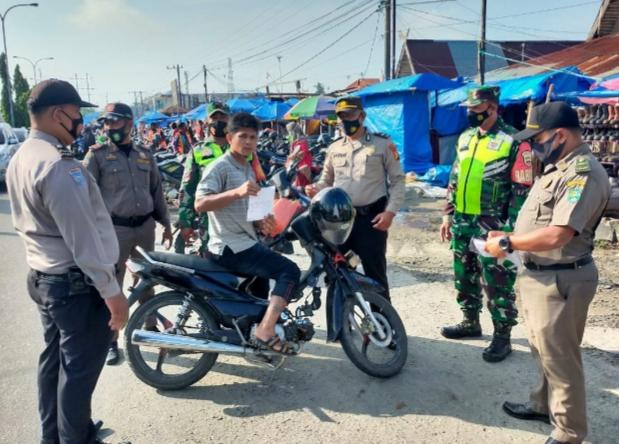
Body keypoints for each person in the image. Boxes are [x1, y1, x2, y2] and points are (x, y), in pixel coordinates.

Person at [6, 79, 129, 444]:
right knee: (78, 374)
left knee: (54, 364)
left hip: (45, 278)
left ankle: (54, 436)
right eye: (77, 115)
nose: (80, 122)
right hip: (74, 285)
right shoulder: (59, 165)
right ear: (59, 114)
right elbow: (83, 236)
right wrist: (113, 293)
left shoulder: (23, 155)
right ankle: (76, 438)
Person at [485, 102, 610, 444]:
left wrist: (510, 242)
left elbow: (559, 234)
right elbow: (540, 223)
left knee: (560, 358)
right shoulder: (557, 167)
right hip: (538, 273)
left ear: (560, 135)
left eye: (537, 138)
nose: (532, 145)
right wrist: (511, 237)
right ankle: (543, 405)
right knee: (542, 349)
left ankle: (569, 433)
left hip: (561, 278)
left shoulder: (580, 172)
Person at [438, 86, 533, 362]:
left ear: (493, 108)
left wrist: (511, 229)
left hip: (493, 225)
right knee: (463, 275)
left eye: (476, 110)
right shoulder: (466, 138)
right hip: (463, 221)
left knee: (497, 281)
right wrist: (448, 214)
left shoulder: (514, 140)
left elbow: (522, 191)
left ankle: (502, 336)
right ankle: (470, 322)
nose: (471, 114)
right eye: (469, 110)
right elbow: (454, 179)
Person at [195, 112, 301, 353]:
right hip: (230, 246)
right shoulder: (219, 167)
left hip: (246, 241)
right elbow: (200, 204)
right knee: (289, 270)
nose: (248, 142)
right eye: (242, 136)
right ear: (230, 137)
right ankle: (265, 332)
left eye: (253, 137)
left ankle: (253, 337)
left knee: (260, 294)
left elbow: (247, 210)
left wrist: (262, 222)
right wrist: (237, 193)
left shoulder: (248, 169)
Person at [84, 102, 173, 366]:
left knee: (148, 281)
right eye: (106, 122)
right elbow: (86, 197)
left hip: (144, 228)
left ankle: (150, 330)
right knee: (113, 285)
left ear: (129, 123)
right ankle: (110, 341)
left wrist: (166, 223)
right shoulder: (97, 156)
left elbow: (156, 190)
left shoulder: (145, 153)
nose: (109, 127)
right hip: (114, 230)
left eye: (114, 121)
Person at [306, 96, 405, 301]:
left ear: (362, 116)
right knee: (338, 271)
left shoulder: (382, 144)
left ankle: (383, 325)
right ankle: (343, 326)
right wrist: (314, 188)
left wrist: (390, 212)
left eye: (350, 114)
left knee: (374, 273)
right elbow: (327, 180)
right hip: (339, 220)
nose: (345, 120)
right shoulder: (335, 148)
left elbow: (397, 180)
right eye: (341, 116)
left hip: (372, 219)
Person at [177, 102, 230, 254]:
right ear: (207, 121)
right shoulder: (198, 151)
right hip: (209, 220)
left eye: (223, 116)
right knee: (211, 261)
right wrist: (185, 222)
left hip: (239, 219)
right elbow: (188, 189)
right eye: (214, 117)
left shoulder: (242, 148)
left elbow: (258, 182)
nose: (219, 121)